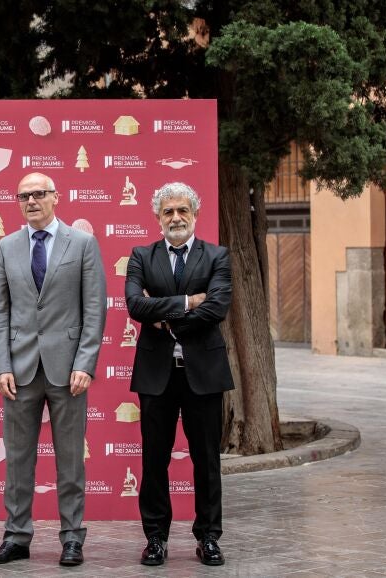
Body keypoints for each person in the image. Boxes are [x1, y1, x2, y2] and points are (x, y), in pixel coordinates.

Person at [0, 172, 106, 567]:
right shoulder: (6, 246)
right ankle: (16, 536)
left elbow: (94, 309)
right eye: (24, 196)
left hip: (69, 371)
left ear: (56, 197)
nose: (32, 201)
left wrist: (85, 363)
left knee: (70, 461)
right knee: (17, 461)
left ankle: (72, 537)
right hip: (19, 371)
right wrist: (1, 366)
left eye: (39, 194)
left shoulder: (82, 243)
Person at [124, 181, 234, 567]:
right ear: (157, 217)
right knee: (154, 461)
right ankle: (156, 538)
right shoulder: (141, 256)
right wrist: (188, 302)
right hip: (157, 375)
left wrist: (165, 316)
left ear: (195, 214)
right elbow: (135, 305)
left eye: (182, 210)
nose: (176, 217)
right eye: (168, 211)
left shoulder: (216, 256)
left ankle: (208, 537)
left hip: (204, 373)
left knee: (207, 461)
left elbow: (217, 307)